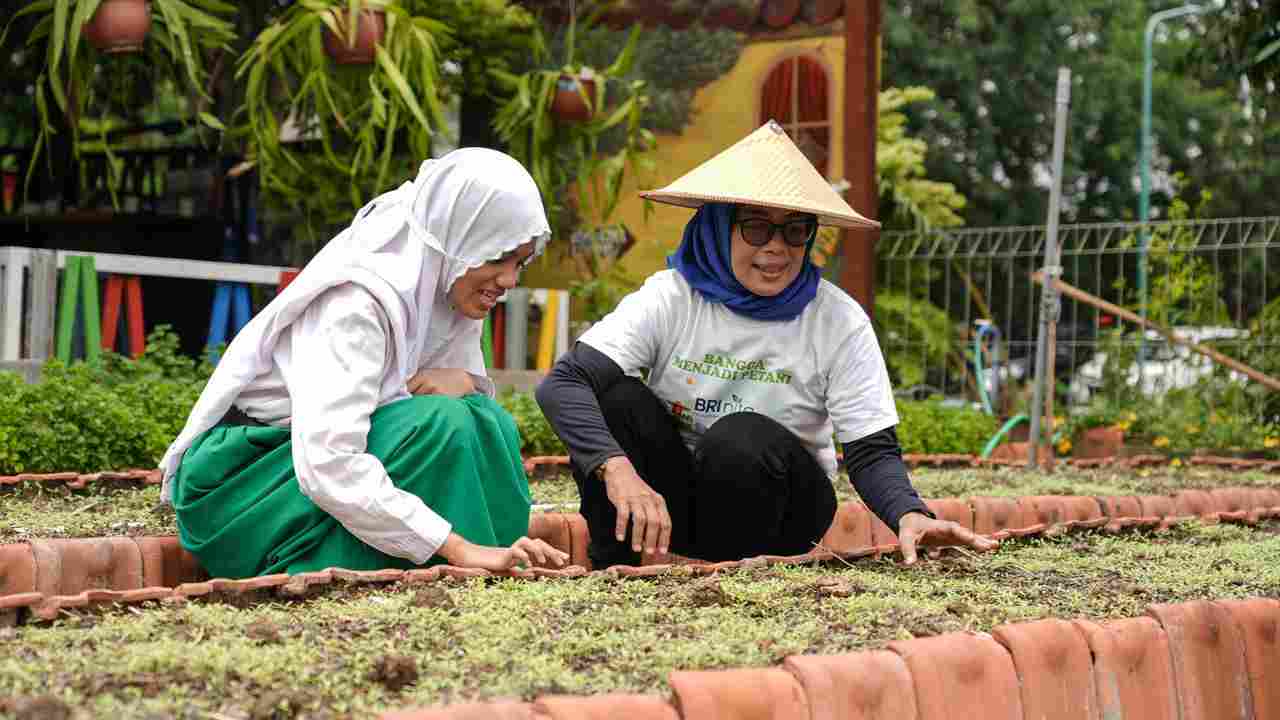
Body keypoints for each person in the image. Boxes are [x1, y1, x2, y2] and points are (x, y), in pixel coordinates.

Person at [537, 121, 998, 568]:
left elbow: (870, 450)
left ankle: (737, 578)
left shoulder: (837, 320)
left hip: (782, 509)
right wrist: (615, 466)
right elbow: (564, 382)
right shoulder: (672, 297)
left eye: (795, 230)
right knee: (613, 395)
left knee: (740, 437)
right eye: (756, 228)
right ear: (718, 227)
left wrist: (909, 512)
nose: (777, 247)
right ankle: (613, 568)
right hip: (673, 501)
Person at [158, 149, 569, 579]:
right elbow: (328, 464)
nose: (509, 281)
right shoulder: (355, 304)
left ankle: (501, 556)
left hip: (298, 469)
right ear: (457, 242)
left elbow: (457, 414)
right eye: (497, 258)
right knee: (441, 424)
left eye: (520, 262)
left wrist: (465, 380)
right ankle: (338, 561)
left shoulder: (448, 286)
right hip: (243, 488)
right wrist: (460, 547)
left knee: (487, 419)